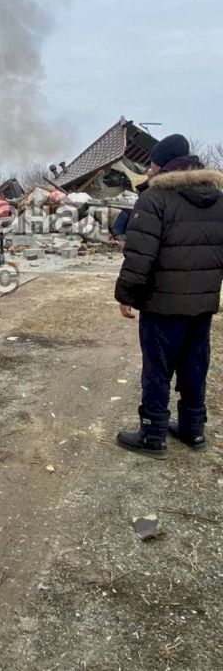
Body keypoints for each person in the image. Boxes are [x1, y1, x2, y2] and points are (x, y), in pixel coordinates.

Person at [114, 134, 223, 458]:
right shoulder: (218, 198)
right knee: (195, 366)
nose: (148, 170)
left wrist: (126, 294)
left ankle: (153, 435)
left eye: (151, 164)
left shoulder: (154, 199)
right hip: (202, 306)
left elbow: (139, 256)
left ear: (162, 165)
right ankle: (193, 430)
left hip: (162, 305)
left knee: (157, 370)